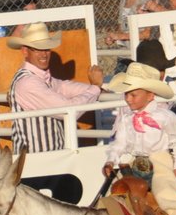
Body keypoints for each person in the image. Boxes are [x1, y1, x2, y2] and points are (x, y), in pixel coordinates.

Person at [102, 61, 176, 215]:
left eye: (133, 95)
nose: (128, 99)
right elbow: (119, 143)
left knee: (166, 194)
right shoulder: (126, 118)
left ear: (150, 95)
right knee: (115, 192)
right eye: (126, 94)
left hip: (160, 161)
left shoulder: (165, 116)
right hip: (133, 163)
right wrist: (110, 161)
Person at [5, 22, 103, 154]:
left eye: (46, 49)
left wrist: (97, 88)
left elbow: (64, 86)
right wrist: (95, 88)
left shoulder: (38, 78)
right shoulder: (28, 82)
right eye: (37, 49)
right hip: (37, 159)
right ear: (25, 51)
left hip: (45, 156)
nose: (44, 54)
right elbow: (67, 110)